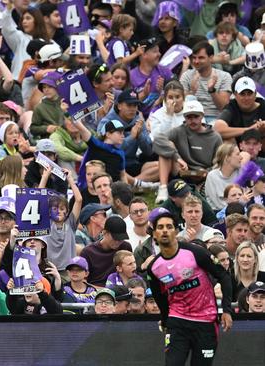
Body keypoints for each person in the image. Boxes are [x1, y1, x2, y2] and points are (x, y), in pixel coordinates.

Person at [146, 210, 233, 366]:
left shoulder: (195, 252)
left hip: (206, 321)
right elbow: (160, 298)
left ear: (176, 231)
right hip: (177, 322)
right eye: (160, 227)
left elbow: (224, 276)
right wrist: (166, 321)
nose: (165, 230)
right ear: (154, 235)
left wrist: (226, 310)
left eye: (169, 226)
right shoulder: (154, 268)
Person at [153, 98, 223, 204]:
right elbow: (158, 139)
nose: (192, 120)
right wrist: (178, 158)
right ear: (184, 118)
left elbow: (220, 161)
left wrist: (208, 172)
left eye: (196, 116)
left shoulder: (215, 137)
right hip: (182, 172)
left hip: (203, 176)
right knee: (166, 148)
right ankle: (163, 189)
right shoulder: (179, 130)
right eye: (189, 117)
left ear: (202, 116)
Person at [180, 41, 232, 123]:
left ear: (211, 58)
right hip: (191, 118)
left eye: (201, 58)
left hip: (215, 118)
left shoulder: (224, 76)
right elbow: (180, 105)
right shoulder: (186, 75)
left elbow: (223, 107)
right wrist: (192, 91)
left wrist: (212, 90)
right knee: (189, 98)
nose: (196, 61)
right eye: (194, 57)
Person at [80, 216, 133, 286]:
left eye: (121, 238)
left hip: (122, 289)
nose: (118, 241)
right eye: (115, 238)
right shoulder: (88, 252)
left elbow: (132, 273)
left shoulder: (125, 247)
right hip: (96, 291)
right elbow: (82, 282)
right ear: (104, 232)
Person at [213, 76, 265, 142]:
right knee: (228, 139)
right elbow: (218, 129)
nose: (246, 98)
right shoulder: (232, 107)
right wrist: (251, 129)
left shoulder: (263, 106)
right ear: (235, 95)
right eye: (242, 94)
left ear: (255, 94)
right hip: (237, 149)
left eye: (249, 94)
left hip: (260, 146)